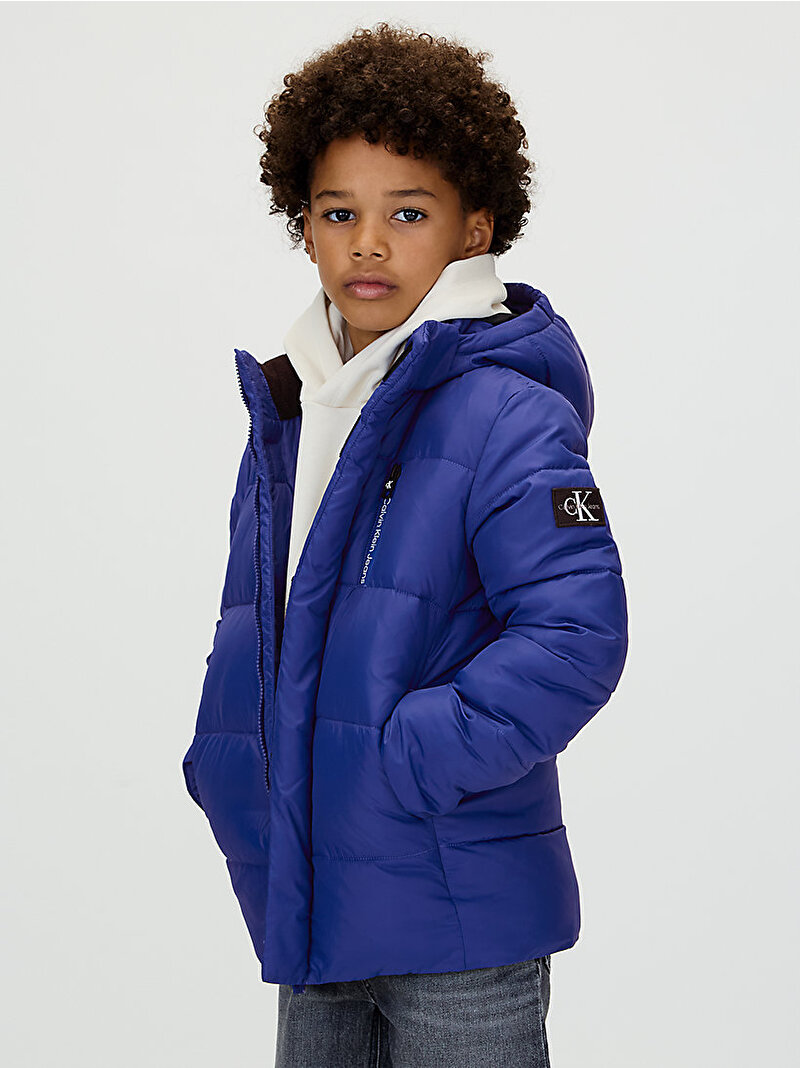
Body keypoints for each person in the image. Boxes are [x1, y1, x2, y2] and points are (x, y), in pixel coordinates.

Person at [181, 21, 629, 1068]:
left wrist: (404, 760)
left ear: (475, 228)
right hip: (309, 891)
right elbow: (265, 616)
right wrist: (228, 756)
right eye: (339, 212)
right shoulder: (297, 406)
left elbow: (575, 636)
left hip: (458, 909)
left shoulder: (505, 413)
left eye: (408, 212)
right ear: (303, 226)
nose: (368, 243)